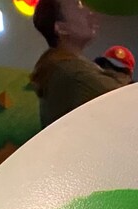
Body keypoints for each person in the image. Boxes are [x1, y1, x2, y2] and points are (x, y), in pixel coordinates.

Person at [30, 0, 125, 128]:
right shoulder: (72, 73)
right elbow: (126, 100)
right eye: (78, 7)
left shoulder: (59, 68)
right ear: (61, 28)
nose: (90, 13)